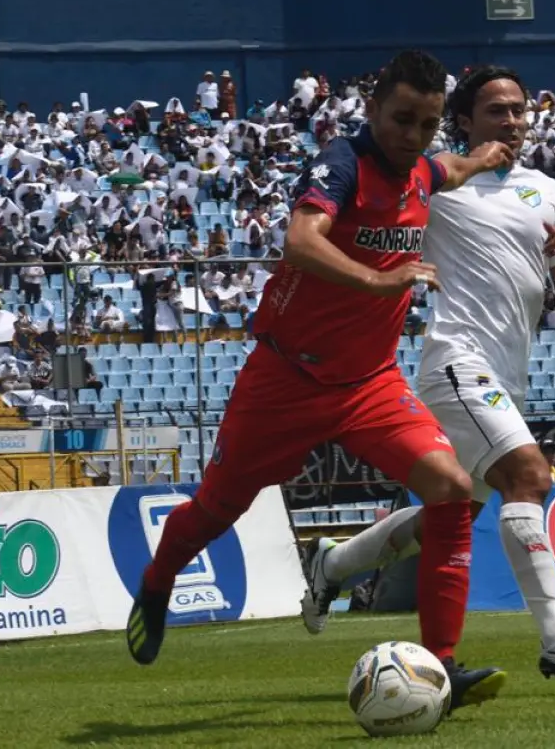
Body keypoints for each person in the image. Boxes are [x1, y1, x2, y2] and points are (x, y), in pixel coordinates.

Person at [125, 50, 513, 709]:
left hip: (368, 385)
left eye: (425, 124)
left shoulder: (420, 169)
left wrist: (482, 160)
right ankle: (159, 582)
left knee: (450, 488)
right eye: (400, 120)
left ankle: (443, 670)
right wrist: (378, 278)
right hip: (285, 379)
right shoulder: (341, 166)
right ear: (371, 111)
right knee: (216, 512)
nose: (412, 136)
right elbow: (302, 239)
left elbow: (442, 169)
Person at [300, 66, 555, 679]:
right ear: (466, 121)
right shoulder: (438, 183)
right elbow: (378, 202)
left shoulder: (547, 190)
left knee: (452, 514)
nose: (511, 121)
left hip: (509, 374)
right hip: (456, 361)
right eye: (496, 110)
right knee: (529, 475)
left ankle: (334, 565)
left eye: (519, 110)